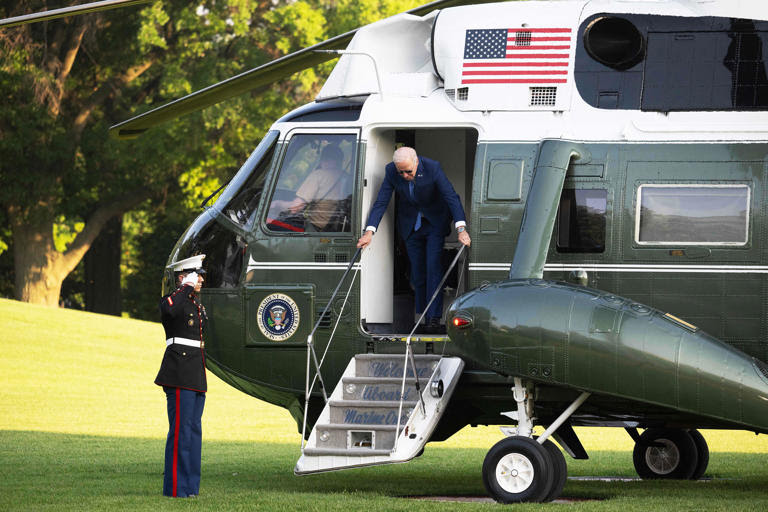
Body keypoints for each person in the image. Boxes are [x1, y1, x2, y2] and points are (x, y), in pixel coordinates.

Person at [357, 147, 471, 333]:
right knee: (417, 273)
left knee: (433, 268)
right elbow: (381, 201)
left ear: (416, 162)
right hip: (411, 225)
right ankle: (421, 314)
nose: (404, 175)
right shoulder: (391, 171)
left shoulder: (432, 168)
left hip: (434, 222)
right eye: (400, 171)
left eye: (408, 171)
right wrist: (369, 232)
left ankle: (432, 319)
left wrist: (461, 229)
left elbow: (451, 197)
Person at [155, 254, 208, 498]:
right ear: (183, 277)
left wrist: (189, 288)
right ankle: (176, 489)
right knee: (180, 432)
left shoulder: (195, 304)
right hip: (178, 372)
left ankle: (190, 488)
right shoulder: (174, 300)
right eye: (197, 275)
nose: (201, 280)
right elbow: (169, 310)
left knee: (193, 431)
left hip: (195, 373)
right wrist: (185, 286)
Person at [270, 145, 351, 232]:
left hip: (314, 229)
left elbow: (295, 208)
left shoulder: (319, 175)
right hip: (332, 229)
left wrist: (276, 204)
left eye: (323, 158)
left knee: (270, 225)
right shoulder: (346, 177)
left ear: (325, 159)